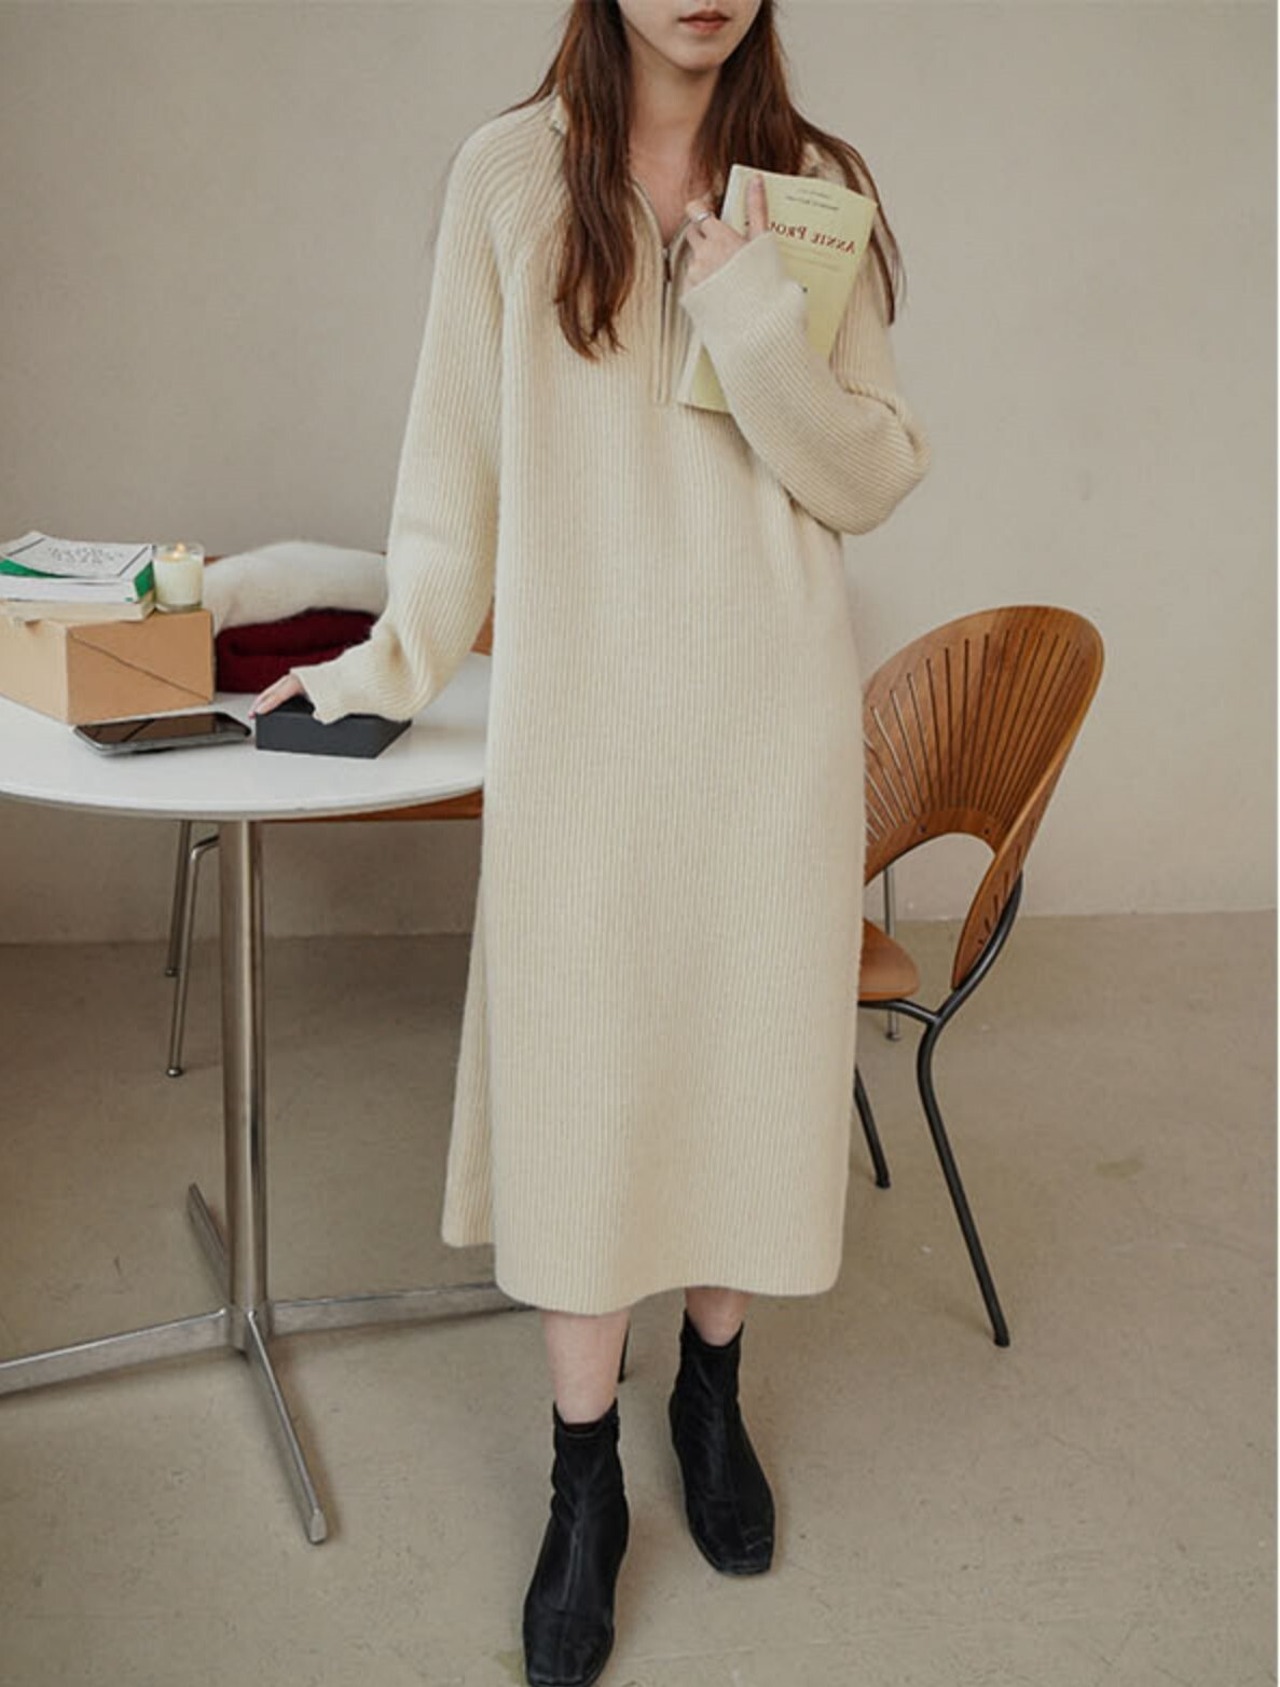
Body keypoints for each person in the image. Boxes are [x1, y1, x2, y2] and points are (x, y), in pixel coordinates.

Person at [251, 2, 930, 1681]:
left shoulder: (816, 191)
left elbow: (867, 477)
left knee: (744, 1074)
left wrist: (750, 310)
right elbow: (451, 486)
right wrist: (383, 666)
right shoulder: (509, 180)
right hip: (587, 740)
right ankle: (582, 1482)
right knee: (585, 1092)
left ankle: (711, 1400)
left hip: (769, 736)